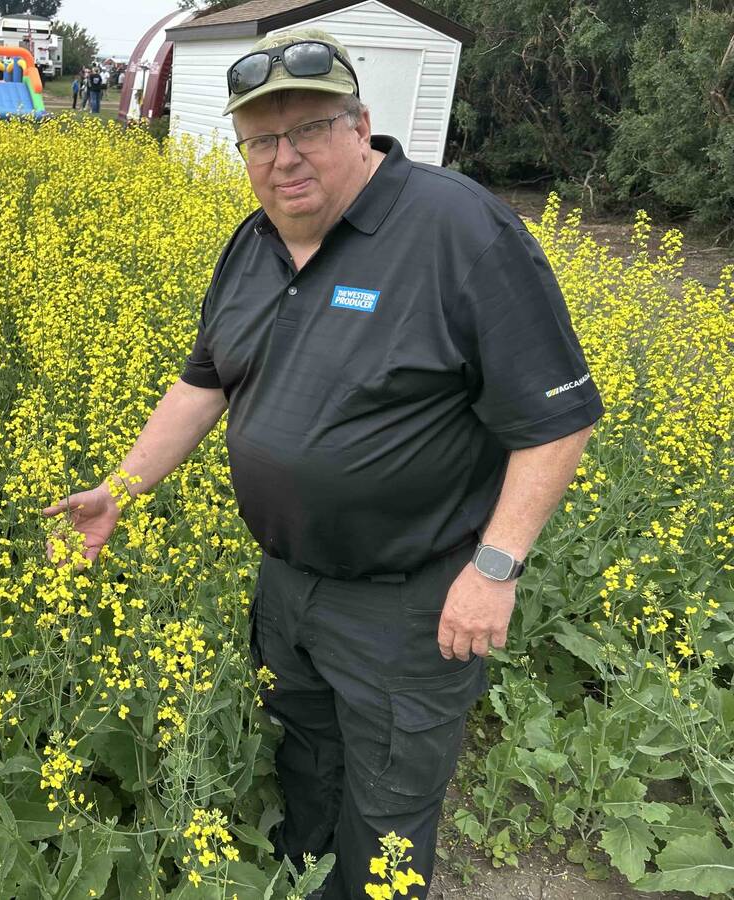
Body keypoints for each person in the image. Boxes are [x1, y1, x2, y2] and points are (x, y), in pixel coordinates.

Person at [43, 26, 603, 900]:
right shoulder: (253, 243)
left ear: (361, 124)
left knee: (387, 813)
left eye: (308, 129)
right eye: (260, 141)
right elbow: (205, 382)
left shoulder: (457, 229)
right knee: (305, 768)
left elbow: (556, 420)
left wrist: (495, 568)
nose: (284, 157)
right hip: (288, 586)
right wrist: (120, 489)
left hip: (409, 602)